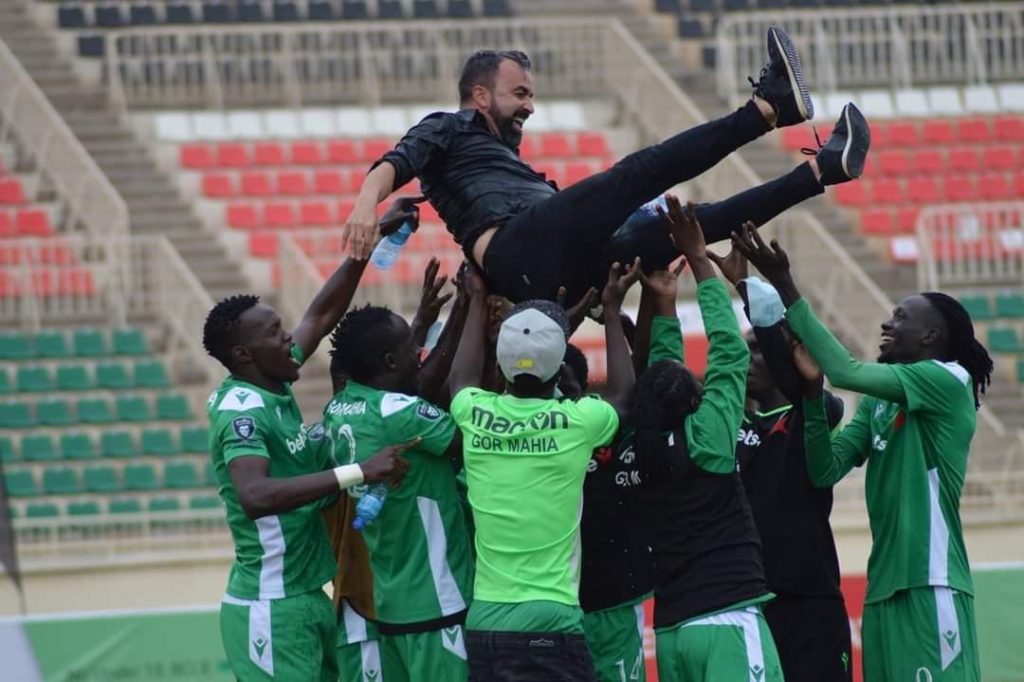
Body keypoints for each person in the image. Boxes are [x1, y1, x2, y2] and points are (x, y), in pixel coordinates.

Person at [343, 27, 870, 305]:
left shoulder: (507, 158)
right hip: (519, 250)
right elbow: (394, 162)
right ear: (479, 95)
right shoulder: (448, 126)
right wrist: (367, 206)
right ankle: (769, 108)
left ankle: (822, 172)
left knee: (685, 225)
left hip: (564, 266)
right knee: (633, 174)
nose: (530, 105)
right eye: (519, 93)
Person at [732, 223, 993, 682]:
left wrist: (786, 286)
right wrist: (811, 397)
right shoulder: (879, 402)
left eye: (900, 317)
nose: (887, 324)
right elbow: (824, 468)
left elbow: (845, 370)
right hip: (881, 591)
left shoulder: (949, 380)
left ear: (931, 337)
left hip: (931, 582)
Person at [202, 256, 413, 681]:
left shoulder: (271, 378)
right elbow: (254, 496)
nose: (288, 339)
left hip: (307, 594)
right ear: (244, 354)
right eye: (275, 334)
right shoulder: (241, 412)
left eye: (281, 328)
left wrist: (363, 251)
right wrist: (359, 471)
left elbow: (320, 315)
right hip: (271, 607)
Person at [447, 259, 640, 681]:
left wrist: (477, 299)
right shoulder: (578, 422)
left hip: (486, 622)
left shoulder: (473, 412)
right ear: (558, 371)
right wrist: (610, 310)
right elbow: (625, 398)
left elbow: (459, 380)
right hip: (552, 620)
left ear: (499, 366)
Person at [629, 197, 783, 681]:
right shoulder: (708, 440)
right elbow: (730, 354)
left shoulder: (647, 442)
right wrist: (699, 261)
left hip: (673, 633)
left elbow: (662, 374)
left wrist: (664, 304)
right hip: (726, 621)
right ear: (695, 401)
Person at [711, 243, 852, 681]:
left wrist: (747, 290)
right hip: (750, 604)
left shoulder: (812, 412)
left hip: (811, 603)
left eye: (759, 350)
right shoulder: (731, 430)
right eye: (746, 349)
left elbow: (812, 396)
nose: (749, 359)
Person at [323, 278, 474, 681]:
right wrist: (470, 314)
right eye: (412, 346)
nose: (419, 352)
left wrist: (441, 316)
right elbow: (469, 436)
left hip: (392, 604)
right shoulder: (399, 412)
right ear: (389, 362)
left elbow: (410, 383)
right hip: (438, 601)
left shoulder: (339, 409)